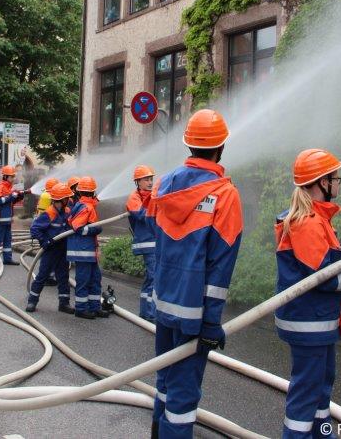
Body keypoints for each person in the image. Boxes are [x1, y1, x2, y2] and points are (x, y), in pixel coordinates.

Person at [150, 109, 242, 439]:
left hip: (163, 303)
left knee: (164, 379)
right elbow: (220, 267)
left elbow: (157, 240)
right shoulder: (226, 196)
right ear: (221, 147)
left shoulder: (163, 185)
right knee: (184, 394)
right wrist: (211, 322)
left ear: (189, 144)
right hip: (194, 314)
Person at [274, 148, 341, 439]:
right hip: (309, 322)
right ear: (322, 183)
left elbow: (322, 262)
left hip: (317, 320)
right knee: (307, 392)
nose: (339, 183)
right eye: (335, 178)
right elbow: (323, 279)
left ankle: (322, 434)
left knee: (321, 388)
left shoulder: (316, 218)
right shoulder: (307, 223)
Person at [27, 182, 75, 314]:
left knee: (63, 277)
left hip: (62, 250)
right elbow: (34, 229)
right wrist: (44, 241)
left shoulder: (67, 212)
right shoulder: (49, 213)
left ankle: (64, 304)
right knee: (42, 276)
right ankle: (32, 301)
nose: (69, 200)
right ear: (62, 199)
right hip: (50, 250)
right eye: (67, 198)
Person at [67, 176, 105, 319]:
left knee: (95, 278)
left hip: (89, 251)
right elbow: (78, 228)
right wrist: (95, 229)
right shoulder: (85, 207)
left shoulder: (86, 205)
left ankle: (95, 307)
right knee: (83, 280)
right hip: (83, 251)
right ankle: (81, 309)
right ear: (92, 192)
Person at [127, 165, 157, 321]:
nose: (150, 182)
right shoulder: (134, 197)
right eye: (146, 180)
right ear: (138, 182)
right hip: (146, 242)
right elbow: (140, 214)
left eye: (151, 179)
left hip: (155, 242)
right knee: (154, 277)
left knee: (152, 277)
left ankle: (146, 311)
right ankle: (149, 313)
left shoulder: (153, 195)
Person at [0, 165, 27, 266]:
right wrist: (10, 197)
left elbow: (10, 202)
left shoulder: (9, 187)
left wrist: (18, 197)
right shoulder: (1, 186)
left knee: (8, 239)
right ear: (5, 176)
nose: (13, 178)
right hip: (1, 219)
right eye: (11, 176)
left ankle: (7, 259)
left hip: (7, 219)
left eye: (14, 176)